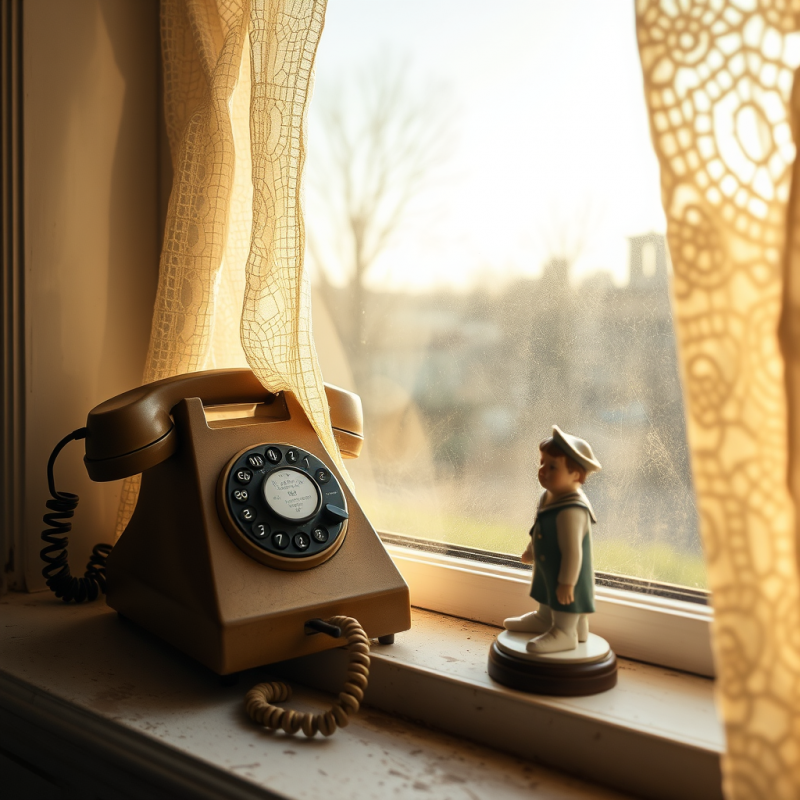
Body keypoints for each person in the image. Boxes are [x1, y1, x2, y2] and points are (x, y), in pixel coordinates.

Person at [504, 425, 602, 653]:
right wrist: (531, 550)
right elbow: (539, 527)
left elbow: (573, 552)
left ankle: (566, 632)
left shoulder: (572, 510)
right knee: (545, 592)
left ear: (576, 474)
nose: (542, 470)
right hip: (547, 564)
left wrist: (568, 582)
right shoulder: (547, 497)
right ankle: (544, 619)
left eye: (552, 466)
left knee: (566, 600)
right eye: (542, 463)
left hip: (567, 571)